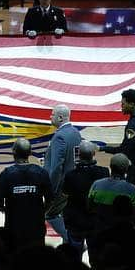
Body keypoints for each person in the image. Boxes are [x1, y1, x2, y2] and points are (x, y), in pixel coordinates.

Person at [0, 138, 53, 249]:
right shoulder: (41, 172)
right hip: (36, 226)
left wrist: (5, 209)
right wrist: (41, 212)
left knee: (14, 260)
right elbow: (50, 200)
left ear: (14, 152)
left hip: (13, 227)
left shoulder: (6, 174)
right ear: (30, 153)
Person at [43, 103, 81, 243]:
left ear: (60, 117)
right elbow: (77, 160)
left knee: (50, 214)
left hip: (60, 184)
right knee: (65, 214)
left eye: (52, 114)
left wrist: (51, 188)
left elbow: (57, 167)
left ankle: (70, 240)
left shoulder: (59, 137)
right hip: (72, 182)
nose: (50, 116)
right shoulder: (76, 133)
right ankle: (69, 241)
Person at [62, 140, 110, 250]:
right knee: (96, 256)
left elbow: (65, 193)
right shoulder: (104, 172)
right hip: (96, 220)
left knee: (74, 256)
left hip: (76, 222)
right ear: (93, 154)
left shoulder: (71, 175)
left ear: (79, 155)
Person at [102, 88, 135, 184]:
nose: (121, 106)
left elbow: (124, 150)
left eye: (123, 104)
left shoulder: (134, 125)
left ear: (132, 104)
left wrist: (102, 148)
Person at [88, 153, 135, 235]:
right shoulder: (132, 189)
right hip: (121, 233)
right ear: (126, 169)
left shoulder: (96, 184)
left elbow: (90, 206)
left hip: (99, 231)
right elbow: (133, 213)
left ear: (111, 167)